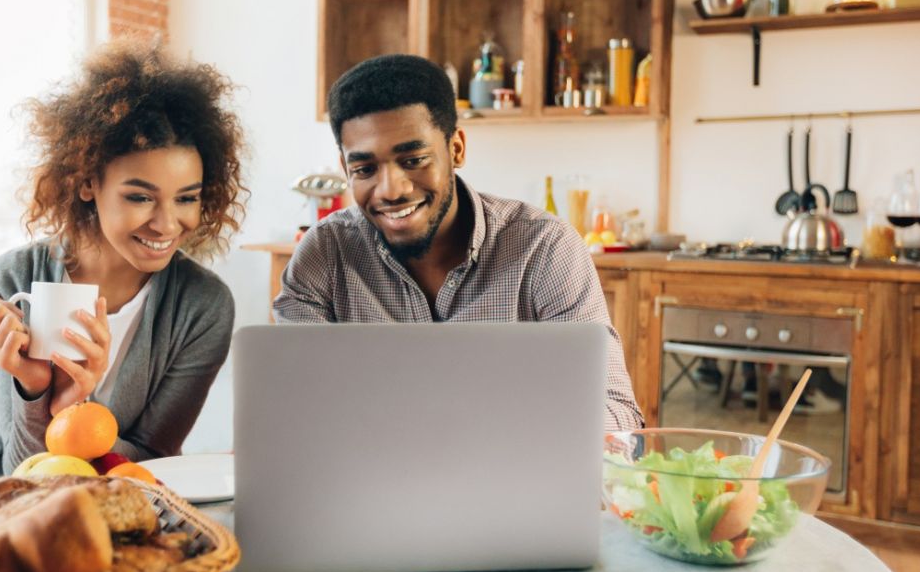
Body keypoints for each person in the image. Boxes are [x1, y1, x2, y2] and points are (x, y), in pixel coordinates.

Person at [273, 54, 643, 431]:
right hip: (370, 482)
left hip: (511, 480)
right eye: (365, 170)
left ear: (456, 149)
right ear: (345, 168)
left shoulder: (544, 248)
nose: (391, 190)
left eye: (414, 159)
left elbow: (615, 414)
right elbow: (296, 409)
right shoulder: (324, 254)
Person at [0, 39, 247, 485]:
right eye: (140, 197)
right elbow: (22, 472)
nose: (167, 224)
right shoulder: (11, 280)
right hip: (2, 509)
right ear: (87, 183)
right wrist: (35, 389)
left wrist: (75, 409)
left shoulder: (202, 305)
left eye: (186, 198)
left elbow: (152, 459)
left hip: (125, 512)